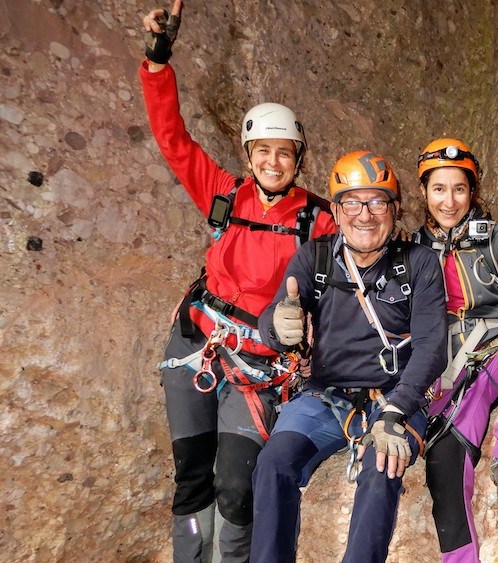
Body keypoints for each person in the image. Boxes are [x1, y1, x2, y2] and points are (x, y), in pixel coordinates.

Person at [139, 1, 337, 560]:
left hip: (260, 364)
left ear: (298, 158)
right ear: (249, 155)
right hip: (196, 343)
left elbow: (355, 268)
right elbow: (173, 139)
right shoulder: (225, 196)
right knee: (192, 477)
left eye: (285, 153)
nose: (274, 162)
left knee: (235, 486)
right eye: (263, 151)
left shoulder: (316, 219)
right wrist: (158, 60)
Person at [250, 151, 448, 562]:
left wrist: (397, 412)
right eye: (353, 202)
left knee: (383, 469)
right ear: (336, 210)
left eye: (377, 202)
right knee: (273, 464)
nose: (365, 215)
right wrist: (278, 324)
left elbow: (431, 347)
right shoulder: (315, 258)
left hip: (393, 398)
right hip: (323, 397)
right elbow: (275, 316)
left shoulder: (418, 264)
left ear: (394, 210)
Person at [412, 139, 498, 562]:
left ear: (473, 191)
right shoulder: (411, 251)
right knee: (443, 464)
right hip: (450, 375)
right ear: (424, 192)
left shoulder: (496, 236)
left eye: (459, 189)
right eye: (439, 189)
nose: (449, 200)